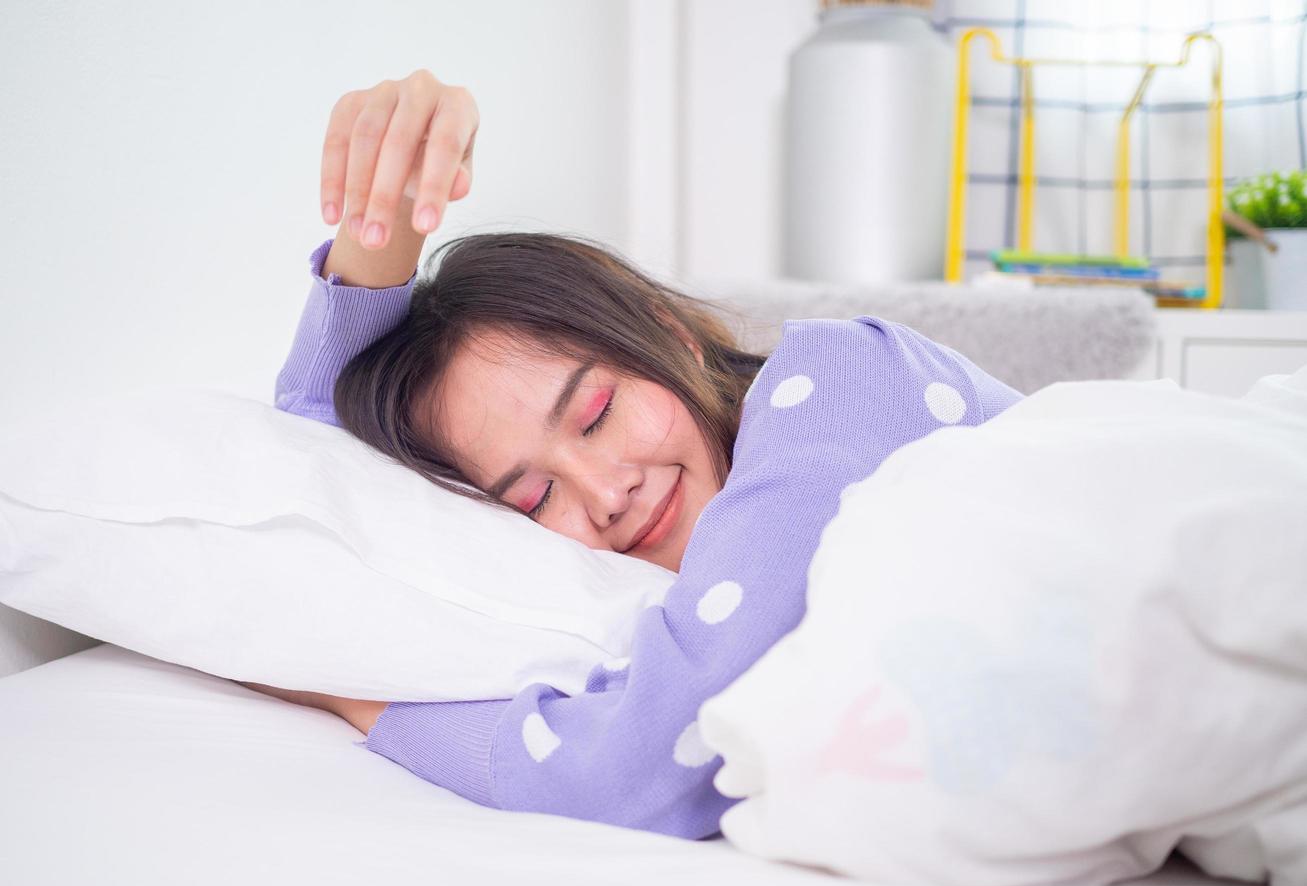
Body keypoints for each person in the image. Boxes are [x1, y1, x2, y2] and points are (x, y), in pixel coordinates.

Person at [249, 70, 1023, 839]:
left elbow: (633, 771)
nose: (602, 492)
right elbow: (314, 449)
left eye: (596, 415)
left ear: (666, 332)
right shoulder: (691, 583)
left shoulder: (840, 382)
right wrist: (375, 235)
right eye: (533, 498)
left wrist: (351, 698)